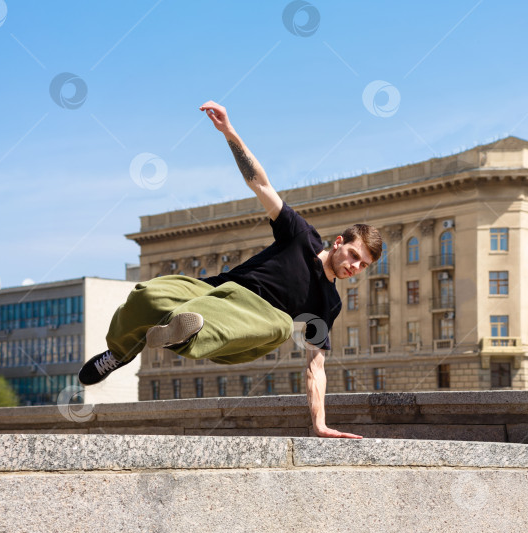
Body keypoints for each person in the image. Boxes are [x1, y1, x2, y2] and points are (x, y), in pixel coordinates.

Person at [78, 101, 382, 439]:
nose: (354, 267)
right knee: (149, 294)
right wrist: (228, 131)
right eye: (354, 255)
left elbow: (315, 367)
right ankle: (121, 352)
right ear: (339, 242)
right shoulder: (301, 237)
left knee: (283, 325)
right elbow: (260, 184)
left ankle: (190, 332)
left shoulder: (328, 304)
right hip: (218, 291)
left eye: (363, 265)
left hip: (248, 322)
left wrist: (319, 423)